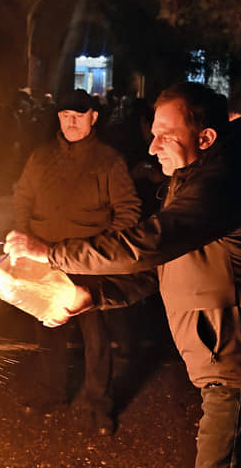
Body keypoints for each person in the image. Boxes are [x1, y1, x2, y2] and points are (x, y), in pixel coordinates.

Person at [4, 82, 241, 467]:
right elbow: (157, 270)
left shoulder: (220, 187)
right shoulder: (189, 182)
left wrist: (52, 254)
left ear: (206, 137)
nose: (151, 146)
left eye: (166, 135)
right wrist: (93, 296)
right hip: (223, 369)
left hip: (239, 372)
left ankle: (97, 405)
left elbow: (146, 245)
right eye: (153, 133)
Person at [11, 88, 141, 435]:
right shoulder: (40, 156)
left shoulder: (109, 160)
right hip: (44, 260)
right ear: (57, 117)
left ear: (93, 118)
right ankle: (49, 395)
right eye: (65, 115)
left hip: (89, 264)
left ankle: (97, 406)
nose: (70, 121)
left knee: (96, 338)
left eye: (79, 115)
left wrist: (104, 250)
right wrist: (23, 238)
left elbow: (128, 212)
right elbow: (22, 197)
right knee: (48, 331)